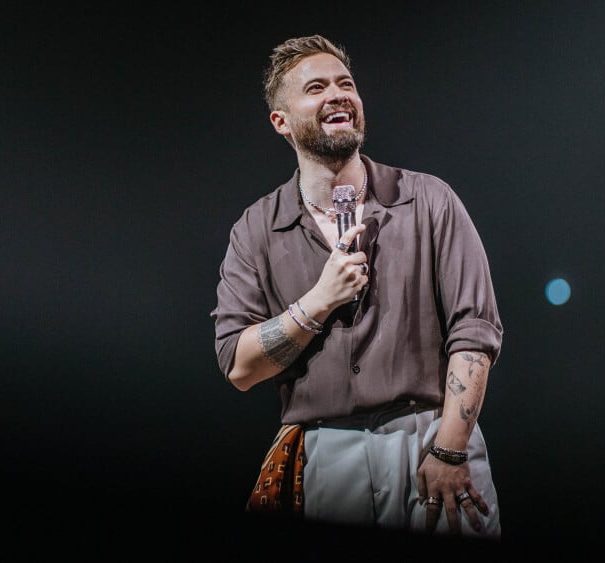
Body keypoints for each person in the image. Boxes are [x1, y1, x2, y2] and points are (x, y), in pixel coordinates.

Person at [211, 34, 503, 539]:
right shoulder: (257, 228)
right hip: (326, 453)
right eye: (316, 87)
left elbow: (474, 332)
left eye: (346, 84)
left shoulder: (428, 199)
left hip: (430, 437)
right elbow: (238, 366)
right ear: (281, 121)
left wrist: (450, 448)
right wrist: (317, 303)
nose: (338, 95)